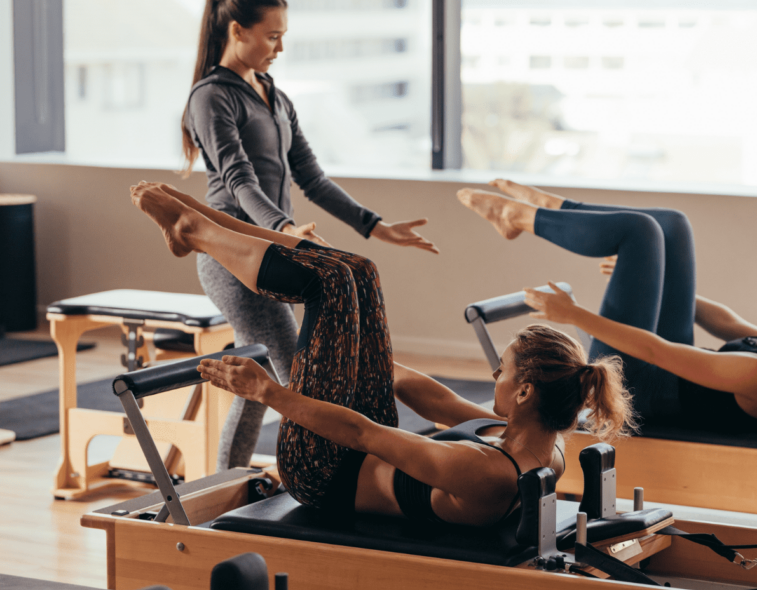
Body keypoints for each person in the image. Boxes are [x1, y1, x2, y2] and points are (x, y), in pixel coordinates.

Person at [130, 182, 635, 525]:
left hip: (321, 473)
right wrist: (354, 347)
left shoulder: (487, 473)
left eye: (501, 370)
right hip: (349, 448)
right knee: (360, 275)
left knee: (328, 285)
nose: (494, 374)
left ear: (525, 391)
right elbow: (432, 399)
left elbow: (362, 432)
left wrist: (269, 391)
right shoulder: (539, 442)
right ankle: (202, 222)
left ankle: (195, 230)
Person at [181, 0, 439, 471]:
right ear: (238, 30)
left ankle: (225, 484)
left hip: (274, 248)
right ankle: (332, 475)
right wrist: (283, 228)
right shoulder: (212, 97)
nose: (281, 47)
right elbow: (239, 181)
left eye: (283, 36)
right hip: (232, 254)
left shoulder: (273, 95)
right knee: (293, 379)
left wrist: (376, 226)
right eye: (272, 36)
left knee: (261, 383)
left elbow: (313, 179)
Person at [457, 179, 757, 434]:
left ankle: (520, 217)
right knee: (673, 225)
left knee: (640, 232)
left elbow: (655, 351)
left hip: (638, 391)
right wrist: (648, 276)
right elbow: (726, 321)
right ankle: (556, 208)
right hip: (664, 375)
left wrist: (574, 314)